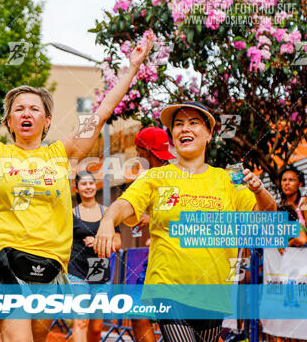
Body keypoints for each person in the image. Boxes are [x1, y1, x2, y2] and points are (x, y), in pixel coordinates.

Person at [0, 29, 154, 341]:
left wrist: (131, 69)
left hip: (51, 266)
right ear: (9, 121)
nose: (26, 113)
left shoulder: (62, 154)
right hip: (4, 259)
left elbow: (102, 113)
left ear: (47, 120)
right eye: (19, 109)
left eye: (34, 108)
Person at [95, 102, 277, 342]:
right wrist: (108, 220)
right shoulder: (156, 177)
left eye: (193, 123)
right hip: (168, 288)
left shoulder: (227, 179)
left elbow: (267, 213)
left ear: (209, 134)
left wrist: (259, 190)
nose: (184, 129)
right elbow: (124, 205)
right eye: (178, 125)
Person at [131, 127, 175, 342]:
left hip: (178, 263)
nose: (136, 156)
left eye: (138, 150)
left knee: (193, 326)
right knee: (139, 315)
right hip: (156, 260)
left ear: (147, 151)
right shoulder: (148, 177)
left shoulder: (173, 178)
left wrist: (151, 219)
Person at [68, 170, 121, 342]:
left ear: (95, 185)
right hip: (77, 270)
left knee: (96, 328)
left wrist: (100, 241)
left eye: (91, 183)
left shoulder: (108, 213)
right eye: (84, 184)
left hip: (99, 269)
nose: (88, 187)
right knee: (81, 321)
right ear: (77, 188)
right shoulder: (71, 214)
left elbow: (118, 242)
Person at [278, 166, 307, 246]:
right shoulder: (281, 206)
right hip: (290, 253)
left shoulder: (305, 202)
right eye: (284, 180)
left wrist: (295, 240)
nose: (286, 183)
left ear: (300, 184)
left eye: (291, 180)